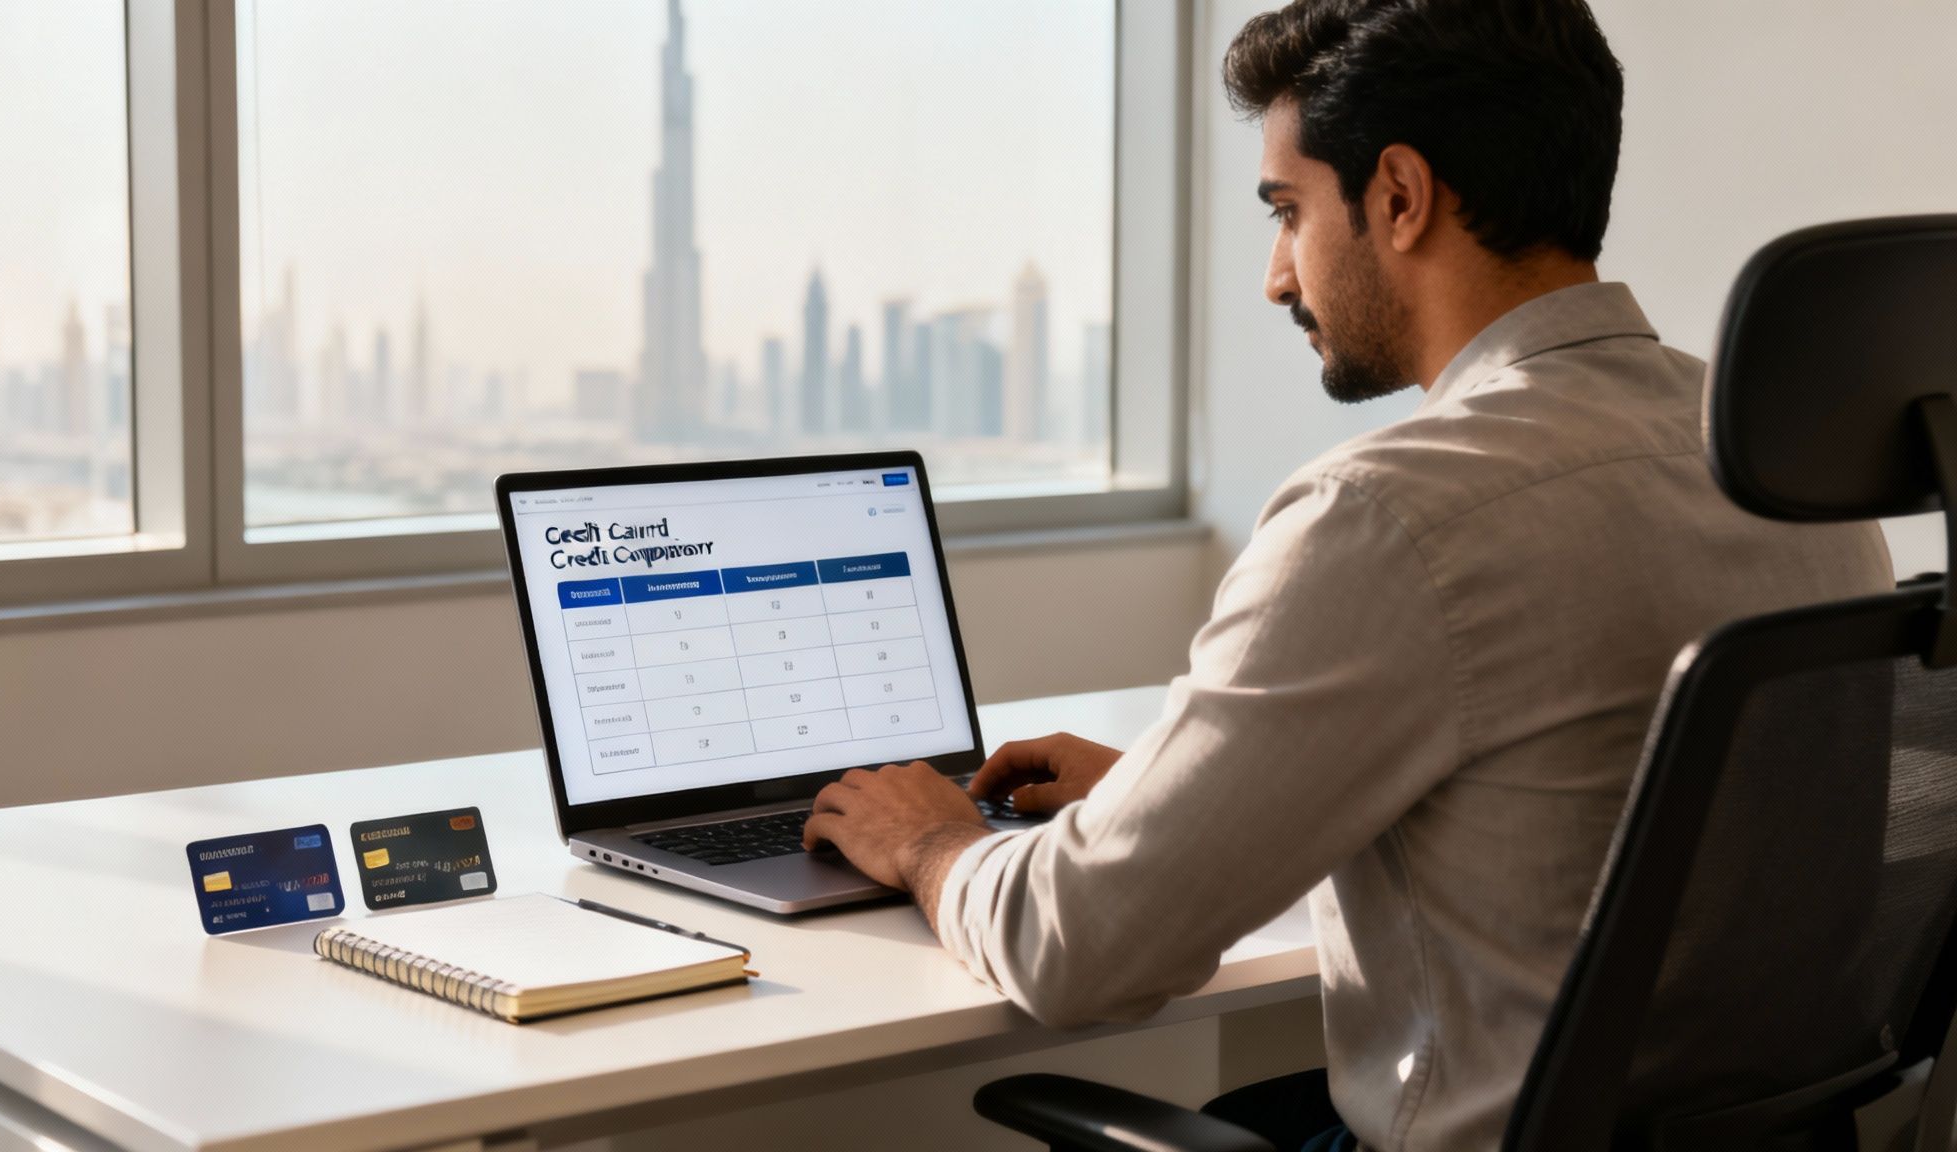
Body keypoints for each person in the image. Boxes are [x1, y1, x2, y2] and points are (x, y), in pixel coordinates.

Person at [800, 1, 1894, 1147]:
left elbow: (1074, 951)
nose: (1276, 278)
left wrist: (931, 842)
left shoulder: (1390, 513)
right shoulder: (1776, 456)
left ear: (1399, 196)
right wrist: (1185, 804)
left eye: (1287, 211)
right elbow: (1597, 814)